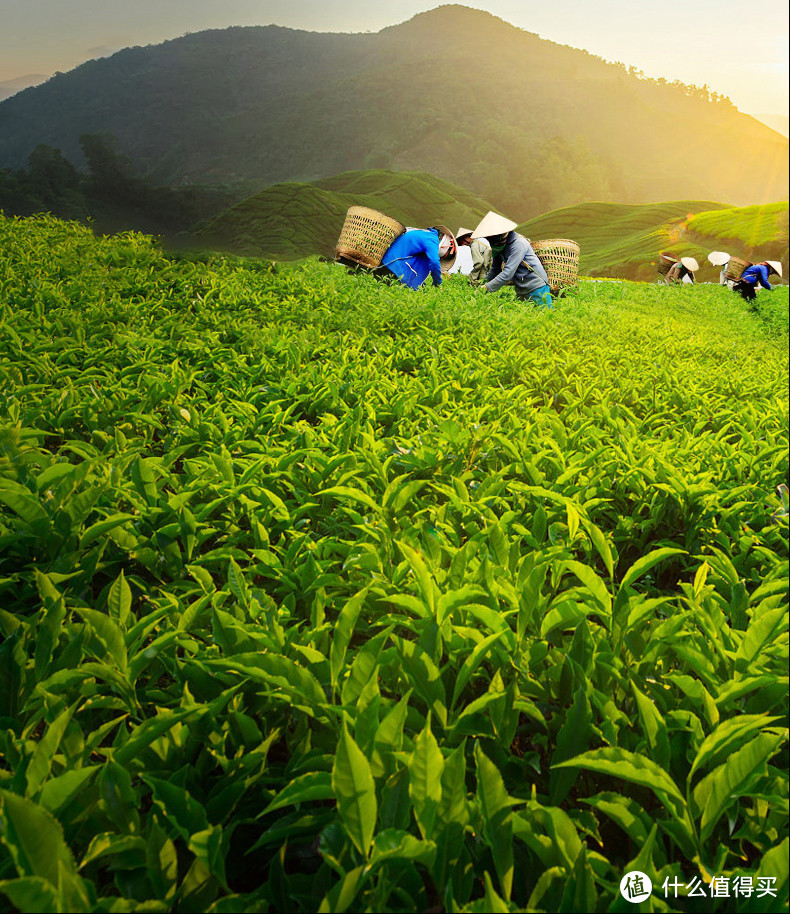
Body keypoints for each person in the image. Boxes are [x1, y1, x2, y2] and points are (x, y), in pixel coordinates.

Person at [471, 212, 552, 307]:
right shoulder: (500, 247)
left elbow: (508, 273)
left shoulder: (518, 244)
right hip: (521, 288)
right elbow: (495, 269)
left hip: (536, 287)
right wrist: (482, 282)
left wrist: (486, 288)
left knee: (544, 315)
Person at [380, 227, 455, 290]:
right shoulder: (432, 239)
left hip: (387, 264)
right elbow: (434, 262)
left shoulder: (426, 234)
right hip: (392, 268)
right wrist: (437, 283)